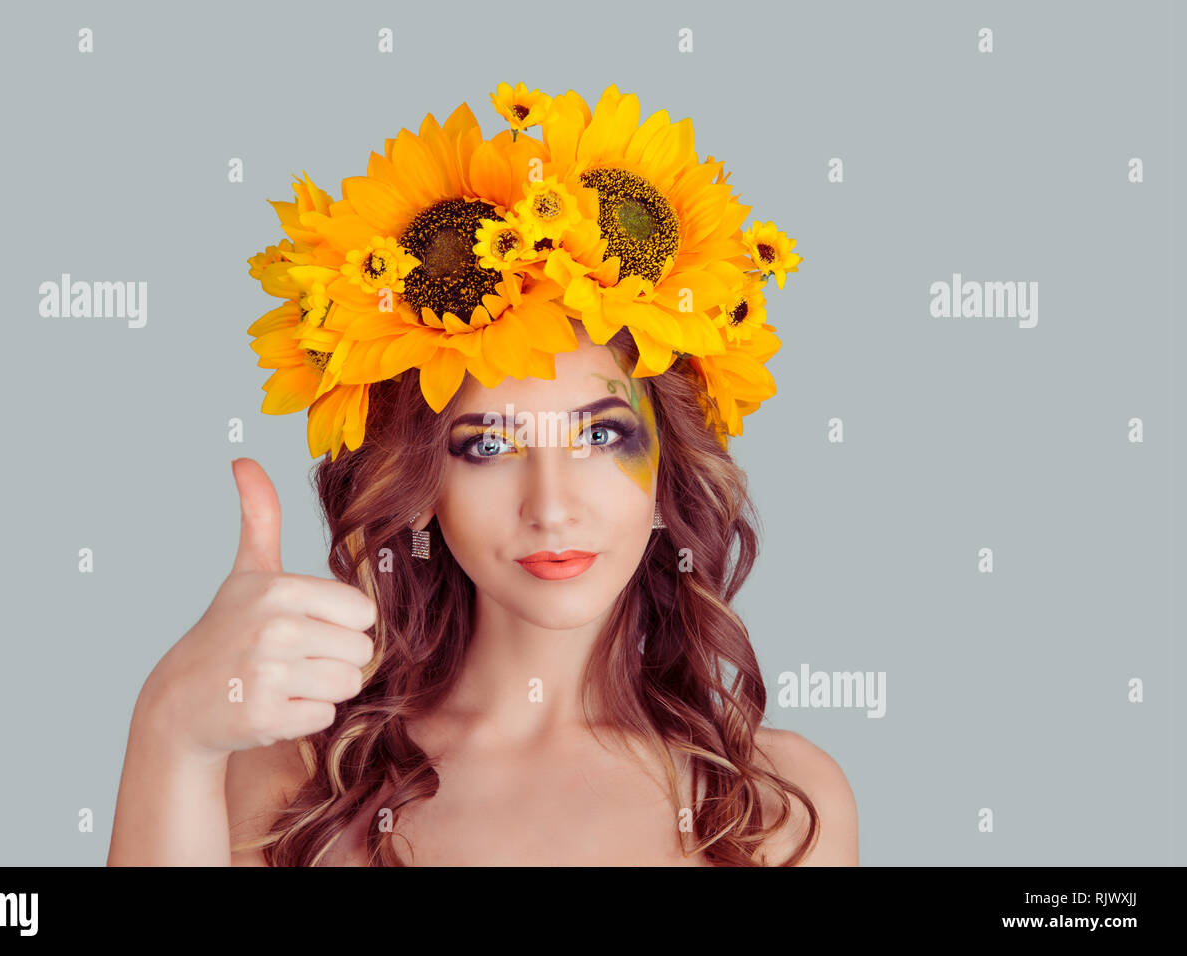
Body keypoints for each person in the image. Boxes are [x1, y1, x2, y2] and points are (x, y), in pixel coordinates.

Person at [107, 80, 857, 866]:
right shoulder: (291, 786)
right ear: (420, 485)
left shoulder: (775, 807)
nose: (552, 508)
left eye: (601, 434)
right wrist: (169, 731)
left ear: (669, 466)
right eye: (488, 447)